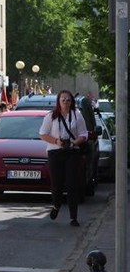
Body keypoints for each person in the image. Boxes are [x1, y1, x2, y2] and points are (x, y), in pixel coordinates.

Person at [39, 90, 88, 226]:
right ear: (58, 102)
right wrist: (56, 141)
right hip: (55, 152)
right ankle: (56, 205)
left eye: (68, 100)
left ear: (71, 102)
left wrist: (74, 143)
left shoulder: (77, 116)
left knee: (72, 184)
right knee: (57, 184)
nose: (65, 102)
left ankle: (73, 217)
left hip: (72, 152)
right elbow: (43, 134)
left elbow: (83, 134)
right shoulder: (51, 116)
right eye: (63, 100)